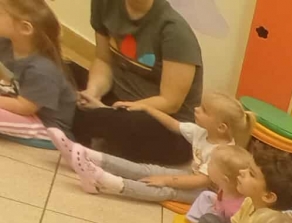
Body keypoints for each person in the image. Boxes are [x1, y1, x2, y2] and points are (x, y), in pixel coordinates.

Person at [71, 0, 204, 166]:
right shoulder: (104, 4)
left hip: (165, 123)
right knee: (63, 72)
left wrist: (109, 111)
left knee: (116, 121)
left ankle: (88, 132)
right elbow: (103, 60)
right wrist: (92, 92)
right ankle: (93, 129)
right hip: (119, 98)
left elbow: (170, 102)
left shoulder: (175, 31)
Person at [61, 91, 252, 204]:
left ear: (221, 127)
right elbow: (174, 125)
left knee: (165, 189)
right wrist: (148, 109)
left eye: (204, 110)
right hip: (192, 176)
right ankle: (88, 155)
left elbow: (201, 182)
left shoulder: (222, 153)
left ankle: (106, 181)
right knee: (149, 170)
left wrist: (167, 179)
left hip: (206, 193)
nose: (196, 109)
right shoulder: (202, 132)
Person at [0, 0, 75, 142]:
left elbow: (25, 107)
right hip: (21, 110)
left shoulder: (42, 69)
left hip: (47, 127)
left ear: (25, 28)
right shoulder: (5, 44)